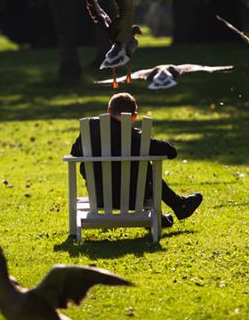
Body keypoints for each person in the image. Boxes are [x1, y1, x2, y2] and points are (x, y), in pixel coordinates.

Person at [70, 93, 203, 227]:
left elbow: (74, 152)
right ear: (134, 117)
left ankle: (171, 211)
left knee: (143, 169)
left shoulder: (88, 131)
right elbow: (171, 151)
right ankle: (178, 205)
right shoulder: (136, 138)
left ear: (108, 111)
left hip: (99, 198)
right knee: (145, 169)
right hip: (134, 199)